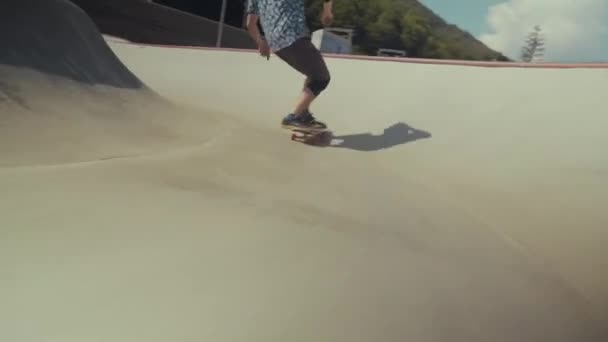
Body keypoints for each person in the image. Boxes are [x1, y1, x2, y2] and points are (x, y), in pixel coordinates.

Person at [245, 0, 334, 130]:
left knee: (312, 73)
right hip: (293, 36)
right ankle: (294, 116)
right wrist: (327, 10)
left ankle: (303, 113)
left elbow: (250, 24)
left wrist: (260, 42)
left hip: (275, 43)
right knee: (321, 78)